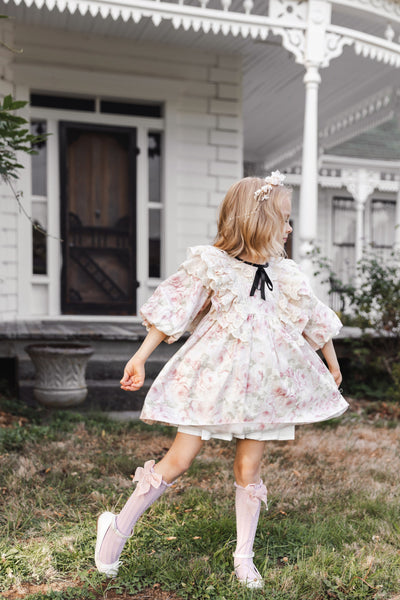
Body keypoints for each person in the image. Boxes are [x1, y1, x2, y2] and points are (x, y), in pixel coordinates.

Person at [95, 172, 348, 588]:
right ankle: (116, 529)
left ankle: (243, 557)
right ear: (257, 220)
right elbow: (174, 310)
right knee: (178, 461)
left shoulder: (287, 274)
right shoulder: (213, 265)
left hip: (265, 388)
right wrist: (140, 357)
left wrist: (331, 362)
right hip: (212, 381)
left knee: (249, 468)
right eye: (284, 219)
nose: (289, 228)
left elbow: (313, 317)